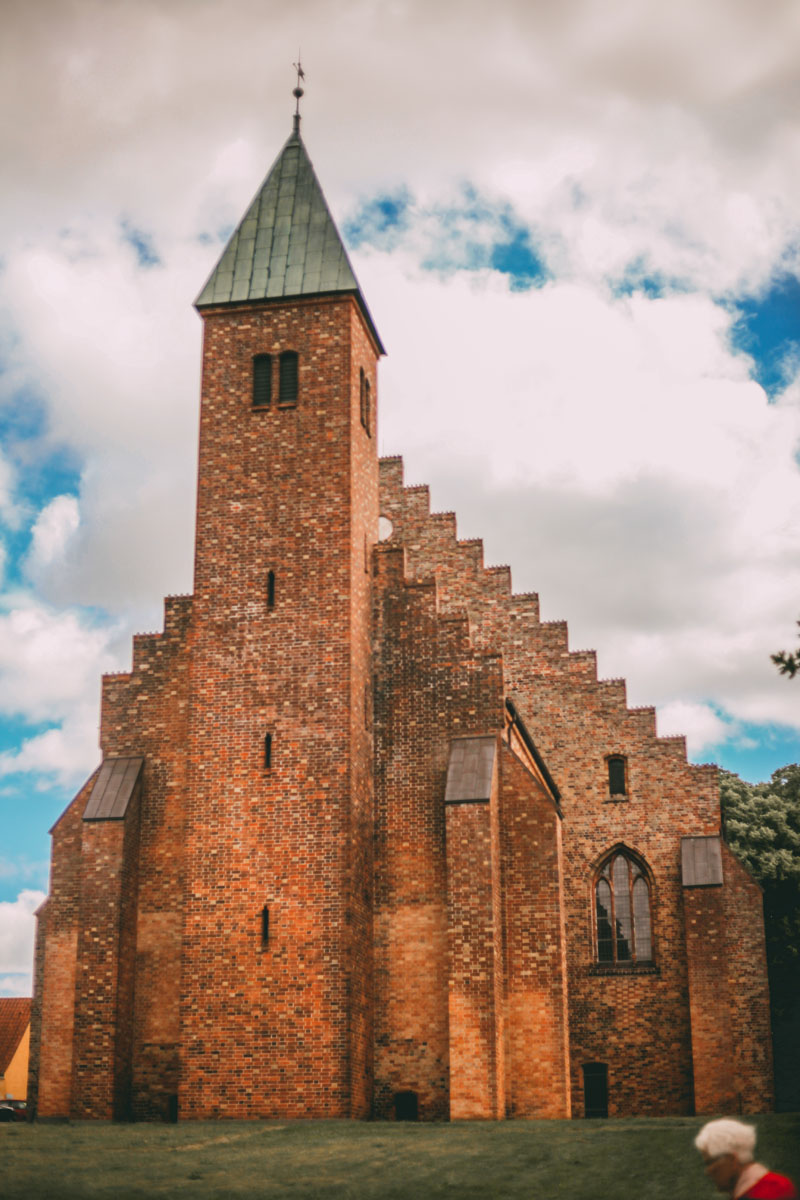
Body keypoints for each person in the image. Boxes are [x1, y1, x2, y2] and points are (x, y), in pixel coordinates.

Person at [695, 1118, 798, 1199]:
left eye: (710, 1163)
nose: (708, 1171)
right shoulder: (773, 1186)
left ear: (732, 1160)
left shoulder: (771, 1190)